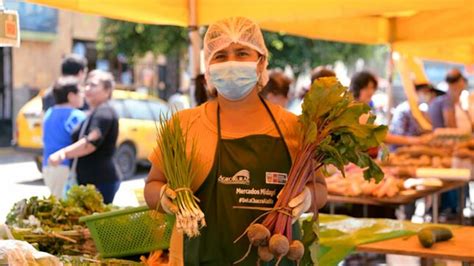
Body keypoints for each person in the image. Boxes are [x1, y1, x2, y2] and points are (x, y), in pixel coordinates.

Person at [144, 17, 327, 265]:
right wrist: (165, 197)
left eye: (242, 53)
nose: (231, 62)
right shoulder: (183, 125)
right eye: (220, 56)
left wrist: (306, 197)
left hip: (275, 257)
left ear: (261, 61)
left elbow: (320, 189)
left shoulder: (295, 127)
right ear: (208, 66)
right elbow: (153, 185)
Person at [48, 70, 121, 204]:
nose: (87, 88)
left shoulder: (104, 111)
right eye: (86, 85)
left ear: (107, 90)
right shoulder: (92, 112)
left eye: (93, 85)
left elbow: (91, 143)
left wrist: (63, 154)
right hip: (88, 181)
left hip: (100, 181)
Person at [428, 68, 470, 216]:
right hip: (448, 150)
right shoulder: (447, 101)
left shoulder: (453, 101)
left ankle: (453, 208)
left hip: (452, 148)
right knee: (454, 180)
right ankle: (451, 209)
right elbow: (451, 127)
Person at [350, 71, 430, 146]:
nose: (371, 92)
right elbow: (382, 136)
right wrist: (415, 141)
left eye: (372, 88)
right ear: (357, 88)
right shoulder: (353, 110)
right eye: (367, 88)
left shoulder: (362, 109)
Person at [42, 77, 86, 198]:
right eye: (80, 92)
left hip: (47, 165)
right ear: (71, 96)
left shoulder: (49, 112)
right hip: (64, 166)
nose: (83, 96)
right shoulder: (76, 115)